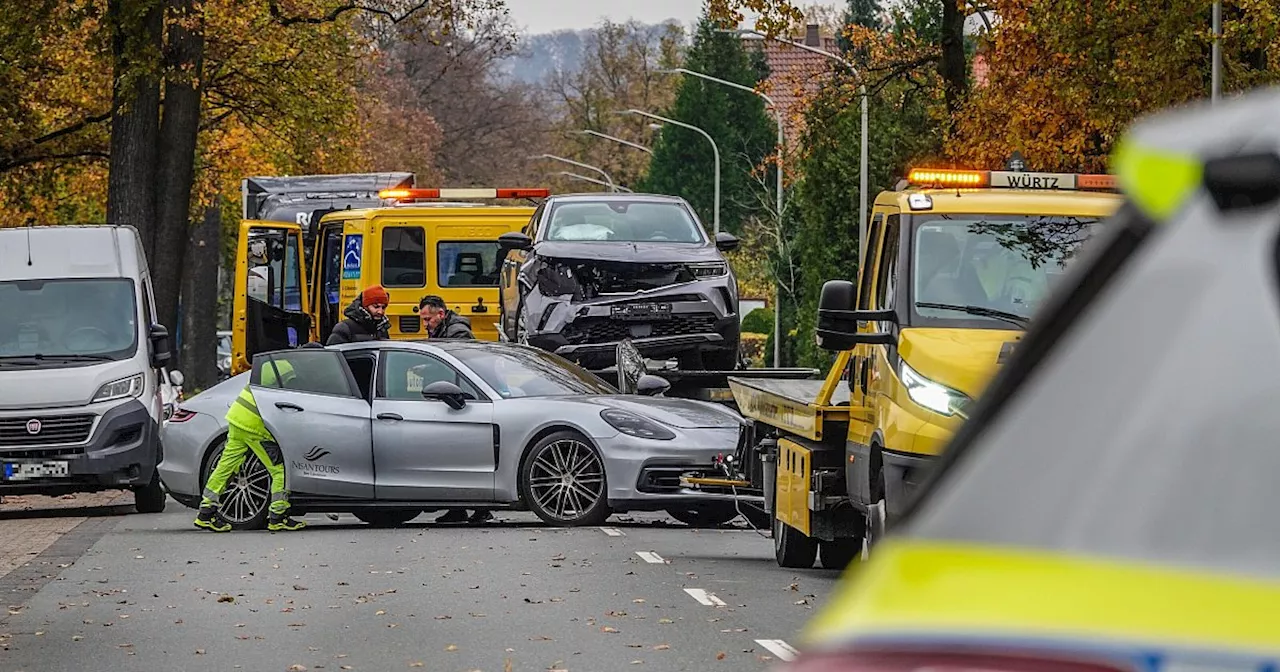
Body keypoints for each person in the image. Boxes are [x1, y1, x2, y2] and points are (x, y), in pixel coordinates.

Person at [194, 359, 305, 532]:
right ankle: (278, 516)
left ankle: (206, 513)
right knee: (279, 469)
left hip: (238, 417)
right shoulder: (290, 371)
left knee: (226, 466)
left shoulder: (277, 363)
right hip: (254, 423)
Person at [419, 295, 491, 525]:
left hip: (459, 400)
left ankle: (480, 509)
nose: (425, 324)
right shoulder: (442, 330)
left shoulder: (457, 333)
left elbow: (455, 364)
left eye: (428, 319)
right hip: (452, 397)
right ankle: (459, 509)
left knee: (462, 455)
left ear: (440, 314)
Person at [327, 285, 391, 344]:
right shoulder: (345, 328)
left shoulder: (382, 329)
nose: (380, 311)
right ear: (365, 306)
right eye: (376, 307)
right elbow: (332, 354)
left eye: (383, 307)